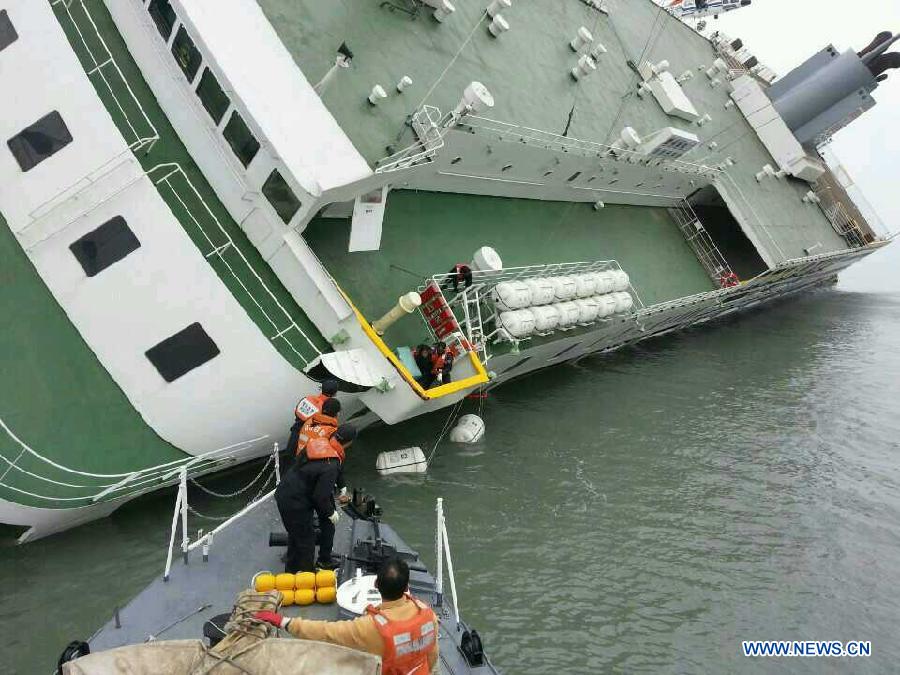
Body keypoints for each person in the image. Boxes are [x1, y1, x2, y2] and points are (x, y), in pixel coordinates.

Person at [254, 557, 439, 674]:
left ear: (375, 584)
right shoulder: (428, 614)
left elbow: (324, 632)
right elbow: (432, 656)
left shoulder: (370, 627)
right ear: (407, 587)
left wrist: (284, 621)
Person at [274, 424, 357, 573]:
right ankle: (307, 577)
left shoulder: (322, 443)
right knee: (306, 541)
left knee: (296, 535)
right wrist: (331, 513)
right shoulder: (331, 465)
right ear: (349, 442)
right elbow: (320, 497)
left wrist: (341, 484)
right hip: (295, 501)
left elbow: (326, 467)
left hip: (288, 490)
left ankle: (292, 570)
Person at [287, 380, 339, 455]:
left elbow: (297, 411)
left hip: (295, 431)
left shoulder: (308, 398)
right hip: (307, 438)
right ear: (334, 394)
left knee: (288, 455)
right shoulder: (325, 408)